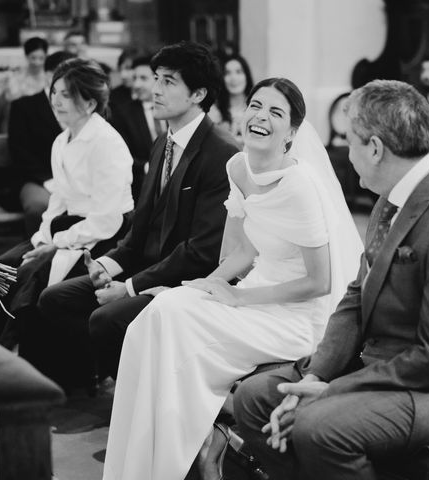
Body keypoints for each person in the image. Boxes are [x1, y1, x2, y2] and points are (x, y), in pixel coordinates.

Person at [233, 79, 429, 480]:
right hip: (394, 365)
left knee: (320, 427)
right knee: (254, 399)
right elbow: (356, 298)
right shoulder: (392, 193)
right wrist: (316, 375)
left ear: (375, 148)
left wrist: (334, 391)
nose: (347, 154)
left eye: (351, 142)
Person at [102, 76, 362, 480]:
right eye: (256, 105)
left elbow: (320, 282)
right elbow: (241, 252)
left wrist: (240, 299)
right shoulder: (237, 166)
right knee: (156, 316)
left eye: (276, 113)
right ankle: (148, 462)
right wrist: (206, 285)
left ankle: (190, 452)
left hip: (296, 314)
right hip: (257, 292)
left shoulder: (300, 186)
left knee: (175, 322)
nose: (260, 117)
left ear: (292, 133)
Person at [37, 41, 239, 388]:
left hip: (186, 281)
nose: (154, 89)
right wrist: (107, 265)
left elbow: (202, 250)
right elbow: (141, 224)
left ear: (198, 93)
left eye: (168, 82)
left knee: (105, 318)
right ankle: (90, 383)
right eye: (156, 78)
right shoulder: (163, 142)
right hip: (143, 267)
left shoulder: (220, 152)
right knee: (55, 299)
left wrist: (129, 287)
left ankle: (149, 398)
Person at [0, 58, 134, 360]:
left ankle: (18, 357)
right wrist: (42, 239)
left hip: (104, 236)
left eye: (67, 95)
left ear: (90, 102)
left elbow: (107, 219)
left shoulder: (107, 143)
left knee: (29, 276)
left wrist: (56, 243)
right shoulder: (61, 141)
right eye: (55, 92)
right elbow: (58, 201)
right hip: (68, 229)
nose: (56, 101)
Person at [8, 51, 75, 236]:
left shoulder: (80, 105)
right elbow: (19, 151)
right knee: (40, 206)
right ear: (48, 75)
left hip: (74, 178)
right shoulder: (23, 106)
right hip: (36, 179)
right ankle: (37, 256)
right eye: (65, 74)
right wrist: (49, 180)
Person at [109, 55, 158, 201]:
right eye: (135, 78)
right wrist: (148, 168)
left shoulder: (175, 108)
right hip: (142, 180)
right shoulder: (123, 114)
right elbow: (121, 156)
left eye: (143, 79)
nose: (136, 85)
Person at [209, 53, 254, 147]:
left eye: (238, 72)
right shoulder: (213, 111)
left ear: (247, 76)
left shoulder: (256, 108)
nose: (233, 78)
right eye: (227, 73)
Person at [4, 37, 48, 101]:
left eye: (41, 58)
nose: (37, 62)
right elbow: (9, 99)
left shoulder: (49, 77)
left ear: (46, 56)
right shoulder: (16, 77)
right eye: (33, 58)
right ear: (26, 56)